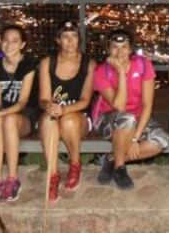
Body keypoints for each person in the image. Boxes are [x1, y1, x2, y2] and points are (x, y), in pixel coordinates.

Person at [90, 28, 169, 190]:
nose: (119, 52)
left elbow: (147, 105)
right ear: (108, 49)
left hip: (137, 116)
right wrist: (120, 71)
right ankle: (120, 168)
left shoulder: (142, 65)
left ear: (131, 49)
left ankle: (112, 159)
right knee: (127, 118)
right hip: (107, 119)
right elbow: (119, 106)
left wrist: (135, 138)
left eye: (124, 47)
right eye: (114, 47)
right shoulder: (101, 71)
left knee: (161, 140)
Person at [0, 24, 39, 202]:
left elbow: (22, 102)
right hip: (3, 116)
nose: (9, 44)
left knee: (8, 120)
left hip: (26, 117)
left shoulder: (28, 65)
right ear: (0, 42)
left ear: (23, 44)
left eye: (15, 41)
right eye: (5, 40)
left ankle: (12, 178)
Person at [38, 21, 96, 202]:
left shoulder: (89, 64)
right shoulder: (48, 63)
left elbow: (85, 100)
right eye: (65, 37)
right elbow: (43, 98)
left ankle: (75, 164)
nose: (70, 41)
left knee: (68, 120)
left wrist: (63, 109)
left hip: (77, 117)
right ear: (58, 40)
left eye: (74, 36)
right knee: (49, 120)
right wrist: (49, 106)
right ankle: (53, 176)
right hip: (53, 113)